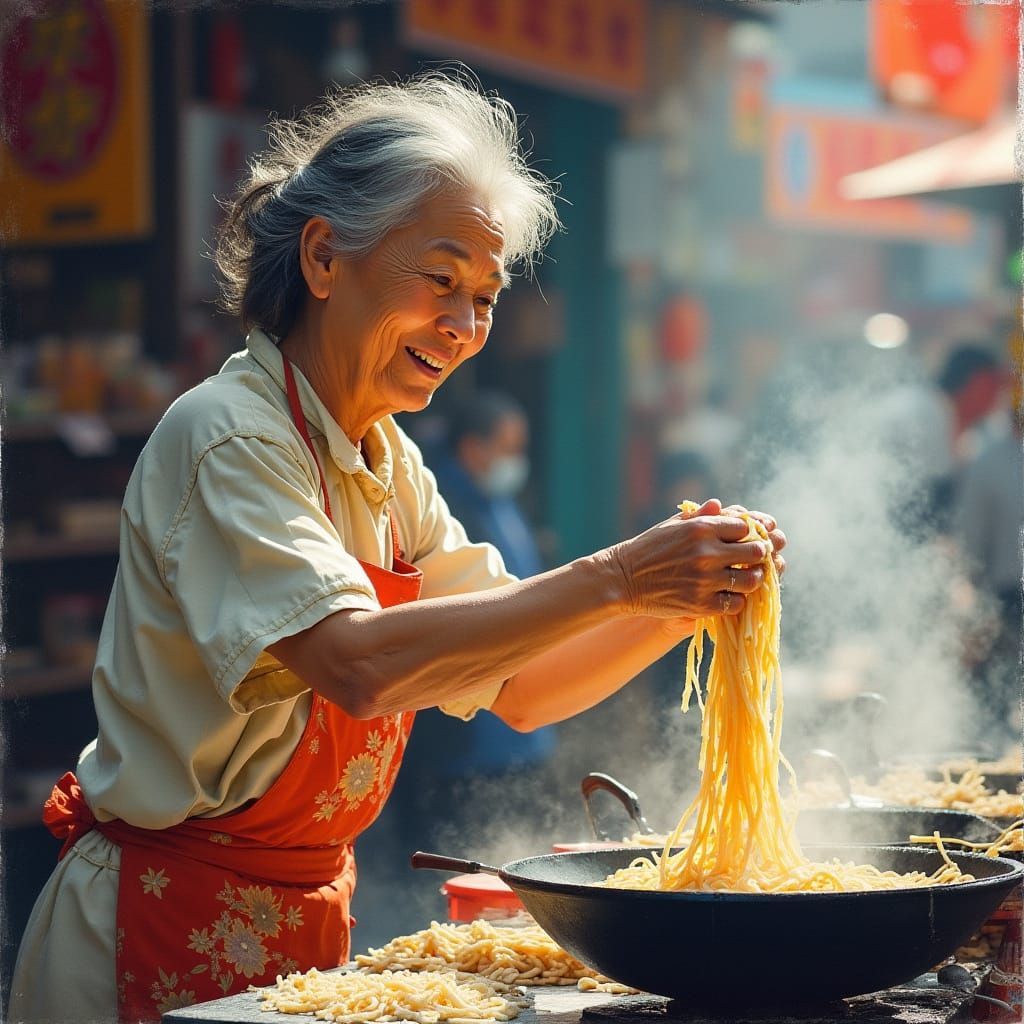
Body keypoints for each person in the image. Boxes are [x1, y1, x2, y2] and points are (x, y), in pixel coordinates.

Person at [8, 73, 785, 1024]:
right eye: (441, 280)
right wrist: (621, 573)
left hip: (297, 923)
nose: (463, 327)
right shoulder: (231, 434)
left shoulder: (383, 457)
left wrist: (684, 598)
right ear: (324, 257)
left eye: (485, 297)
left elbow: (523, 685)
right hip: (149, 924)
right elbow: (355, 664)